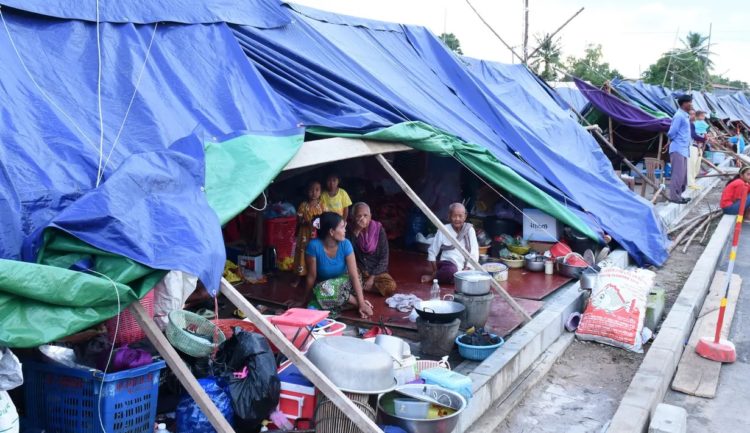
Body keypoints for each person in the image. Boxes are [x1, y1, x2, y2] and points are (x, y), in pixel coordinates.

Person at [305, 212, 373, 318]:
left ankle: (355, 302)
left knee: (325, 291)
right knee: (312, 306)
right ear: (332, 232)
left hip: (347, 283)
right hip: (326, 288)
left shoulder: (346, 244)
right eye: (342, 227)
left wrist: (361, 302)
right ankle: (354, 303)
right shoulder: (313, 246)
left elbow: (354, 276)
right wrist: (303, 301)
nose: (345, 230)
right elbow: (311, 276)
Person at [421, 203, 479, 284]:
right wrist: (435, 272)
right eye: (454, 216)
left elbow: (474, 252)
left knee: (475, 276)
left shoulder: (469, 230)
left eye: (460, 216)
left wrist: (467, 268)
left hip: (465, 267)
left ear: (465, 217)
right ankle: (435, 277)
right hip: (448, 264)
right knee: (450, 271)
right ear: (449, 216)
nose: (457, 219)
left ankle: (451, 278)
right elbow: (432, 251)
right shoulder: (443, 230)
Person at [348, 202, 397, 297]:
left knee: (390, 286)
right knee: (346, 281)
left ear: (370, 216)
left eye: (365, 215)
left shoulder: (379, 230)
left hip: (376, 272)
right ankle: (359, 286)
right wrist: (357, 231)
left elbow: (384, 258)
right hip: (359, 270)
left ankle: (360, 287)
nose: (363, 219)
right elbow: (347, 251)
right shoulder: (350, 230)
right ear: (353, 218)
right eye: (359, 216)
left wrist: (372, 278)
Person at [291, 181, 326, 287]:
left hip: (317, 236)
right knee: (302, 254)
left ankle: (314, 278)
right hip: (304, 235)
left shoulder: (322, 206)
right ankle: (298, 278)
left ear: (320, 192)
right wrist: (305, 221)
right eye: (311, 190)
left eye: (317, 190)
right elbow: (299, 219)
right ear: (307, 192)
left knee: (315, 255)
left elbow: (325, 220)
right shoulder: (303, 205)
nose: (314, 192)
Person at [666, 94, 693, 204]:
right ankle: (675, 197)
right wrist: (674, 141)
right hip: (678, 148)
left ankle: (679, 196)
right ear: (684, 103)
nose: (691, 104)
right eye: (689, 102)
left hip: (684, 149)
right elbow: (671, 132)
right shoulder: (679, 116)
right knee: (677, 175)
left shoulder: (685, 115)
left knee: (682, 175)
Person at [687, 109, 707, 190]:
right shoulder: (690, 124)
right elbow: (694, 136)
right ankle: (690, 184)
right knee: (691, 166)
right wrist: (704, 139)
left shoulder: (697, 124)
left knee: (697, 166)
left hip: (698, 147)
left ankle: (693, 182)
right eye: (691, 114)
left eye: (693, 114)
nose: (693, 116)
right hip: (692, 146)